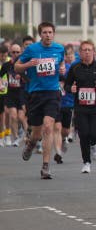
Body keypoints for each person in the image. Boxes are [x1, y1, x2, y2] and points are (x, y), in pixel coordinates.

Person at [16, 22, 65, 179]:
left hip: (52, 93)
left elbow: (61, 63)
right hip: (36, 93)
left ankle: (45, 166)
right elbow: (17, 67)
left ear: (54, 34)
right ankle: (31, 143)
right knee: (36, 132)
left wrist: (62, 68)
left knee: (48, 127)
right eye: (45, 32)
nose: (48, 35)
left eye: (50, 32)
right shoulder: (32, 49)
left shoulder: (59, 49)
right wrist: (28, 64)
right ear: (40, 34)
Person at [64, 41, 96, 173]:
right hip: (80, 107)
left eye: (90, 50)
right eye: (84, 50)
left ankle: (94, 144)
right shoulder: (75, 67)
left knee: (95, 134)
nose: (87, 52)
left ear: (94, 52)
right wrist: (70, 88)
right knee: (83, 134)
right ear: (80, 53)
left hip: (95, 106)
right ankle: (86, 162)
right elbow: (66, 85)